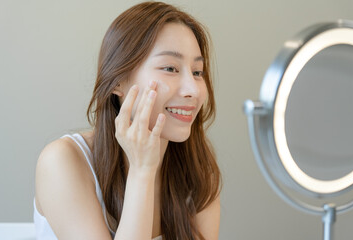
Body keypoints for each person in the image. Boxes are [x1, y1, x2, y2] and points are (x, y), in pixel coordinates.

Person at [34, 1, 221, 240]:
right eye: (170, 68)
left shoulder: (198, 170)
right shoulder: (63, 161)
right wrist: (143, 171)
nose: (193, 90)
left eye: (197, 72)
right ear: (117, 81)